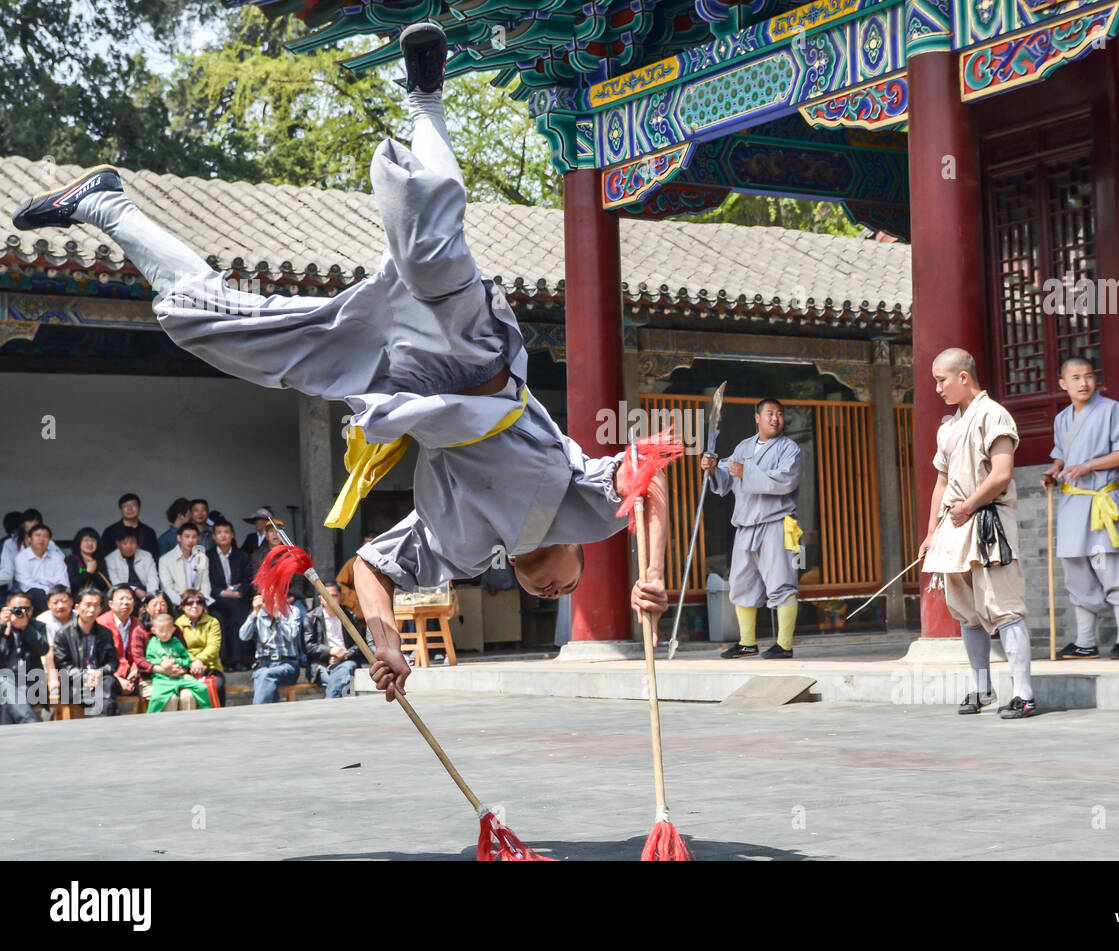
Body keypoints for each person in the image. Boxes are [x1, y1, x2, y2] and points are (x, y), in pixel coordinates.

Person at [13, 23, 670, 711]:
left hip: (402, 382)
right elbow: (648, 476)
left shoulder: (460, 550)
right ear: (580, 554)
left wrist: (387, 644)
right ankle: (426, 97)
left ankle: (104, 204)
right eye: (571, 583)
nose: (555, 590)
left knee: (211, 325)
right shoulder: (586, 508)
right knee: (425, 243)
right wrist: (649, 570)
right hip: (476, 358)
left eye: (551, 595)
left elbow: (369, 571)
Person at [919, 348, 1036, 719]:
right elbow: (940, 482)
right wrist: (930, 533)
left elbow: (1001, 473)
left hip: (987, 521)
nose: (937, 388)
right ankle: (982, 687)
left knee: (1004, 608)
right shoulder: (949, 426)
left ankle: (1023, 693)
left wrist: (968, 506)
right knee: (967, 613)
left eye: (942, 379)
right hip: (953, 526)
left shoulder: (993, 414)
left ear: (963, 377)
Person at [1041, 357, 1119, 659]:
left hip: (1103, 501)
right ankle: (1085, 641)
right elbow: (1062, 456)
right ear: (1063, 384)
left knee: (1114, 569)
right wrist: (1054, 471)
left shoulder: (1112, 410)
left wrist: (1088, 465)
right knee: (1078, 573)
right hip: (1074, 504)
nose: (1083, 383)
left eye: (1088, 376)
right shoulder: (1062, 419)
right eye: (1075, 378)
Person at [703, 398, 802, 659]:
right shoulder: (743, 447)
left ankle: (784, 645)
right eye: (770, 413)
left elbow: (785, 481)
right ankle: (747, 642)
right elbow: (725, 479)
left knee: (782, 581)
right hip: (746, 525)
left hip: (777, 523)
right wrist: (713, 470)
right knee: (740, 583)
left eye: (780, 414)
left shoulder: (790, 449)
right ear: (757, 418)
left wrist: (746, 472)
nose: (775, 418)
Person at [52, 588, 120, 716]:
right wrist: (87, 676)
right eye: (88, 605)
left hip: (101, 679)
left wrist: (99, 673)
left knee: (107, 684)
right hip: (74, 683)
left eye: (96, 606)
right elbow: (63, 666)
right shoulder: (63, 634)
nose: (92, 610)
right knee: (104, 698)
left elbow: (112, 661)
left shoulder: (105, 633)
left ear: (100, 609)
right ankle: (107, 726)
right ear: (77, 607)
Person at [305, 582, 374, 698]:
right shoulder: (311, 618)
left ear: (341, 597)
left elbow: (360, 644)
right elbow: (309, 646)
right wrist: (330, 652)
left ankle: (329, 707)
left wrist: (344, 656)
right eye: (326, 595)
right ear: (320, 598)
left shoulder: (350, 616)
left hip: (347, 660)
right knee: (342, 681)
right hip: (322, 664)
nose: (330, 599)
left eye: (334, 595)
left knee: (344, 672)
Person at [239, 592, 306, 704]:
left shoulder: (292, 610)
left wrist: (278, 615)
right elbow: (243, 636)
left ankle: (258, 714)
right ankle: (269, 716)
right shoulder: (258, 613)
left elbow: (292, 636)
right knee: (262, 675)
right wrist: (254, 612)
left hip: (287, 664)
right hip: (263, 664)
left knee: (265, 675)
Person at [144, 613, 211, 713]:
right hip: (162, 678)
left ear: (173, 630)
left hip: (180, 677)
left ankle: (208, 712)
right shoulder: (153, 643)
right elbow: (149, 659)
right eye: (160, 631)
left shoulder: (176, 642)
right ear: (153, 630)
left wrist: (176, 661)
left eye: (167, 631)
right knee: (157, 698)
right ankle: (150, 719)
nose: (164, 634)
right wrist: (161, 662)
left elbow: (187, 660)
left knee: (202, 688)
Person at [207, 518, 251, 670]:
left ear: (232, 535)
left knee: (240, 615)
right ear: (214, 536)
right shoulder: (208, 556)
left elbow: (248, 578)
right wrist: (221, 592)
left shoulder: (242, 555)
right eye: (219, 533)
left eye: (226, 532)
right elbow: (206, 581)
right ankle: (223, 661)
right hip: (217, 599)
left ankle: (239, 660)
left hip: (238, 599)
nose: (223, 536)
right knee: (216, 618)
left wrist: (239, 592)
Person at [1, 592, 47, 724]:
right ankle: (30, 723)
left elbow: (44, 649)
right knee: (5, 683)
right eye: (16, 609)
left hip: (29, 681)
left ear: (32, 610)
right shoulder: (2, 624)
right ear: (7, 608)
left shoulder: (37, 626)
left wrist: (26, 628)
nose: (21, 612)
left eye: (26, 609)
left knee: (9, 699)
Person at [175, 588, 224, 705]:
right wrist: (193, 662)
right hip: (187, 667)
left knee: (217, 687)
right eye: (189, 603)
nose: (194, 606)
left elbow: (214, 646)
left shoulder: (212, 622)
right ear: (182, 606)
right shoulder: (177, 624)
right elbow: (179, 649)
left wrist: (200, 660)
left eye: (199, 602)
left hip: (210, 666)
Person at [98, 584, 145, 696]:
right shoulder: (101, 624)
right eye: (121, 599)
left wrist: (135, 669)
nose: (126, 602)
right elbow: (100, 660)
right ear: (110, 604)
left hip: (133, 675)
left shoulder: (138, 624)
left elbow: (142, 653)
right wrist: (117, 679)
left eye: (129, 599)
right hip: (109, 675)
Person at [14, 523, 69, 614]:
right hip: (30, 596)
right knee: (37, 593)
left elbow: (63, 581)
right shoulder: (21, 557)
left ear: (49, 541)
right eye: (38, 535)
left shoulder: (56, 557)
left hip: (55, 594)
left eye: (45, 536)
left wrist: (54, 594)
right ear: (29, 539)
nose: (41, 539)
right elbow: (26, 584)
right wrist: (48, 592)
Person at [35, 585, 75, 704]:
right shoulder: (43, 620)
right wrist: (53, 678)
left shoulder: (79, 616)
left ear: (72, 601)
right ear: (48, 604)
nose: (60, 606)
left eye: (64, 601)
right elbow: (49, 652)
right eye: (55, 602)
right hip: (48, 668)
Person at [159, 523, 211, 607]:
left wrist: (200, 602)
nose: (190, 540)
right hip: (176, 604)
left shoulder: (202, 557)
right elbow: (167, 588)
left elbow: (205, 584)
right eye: (187, 536)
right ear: (179, 538)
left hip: (198, 604)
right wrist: (184, 604)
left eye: (194, 537)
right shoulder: (165, 560)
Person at [99, 493, 160, 561]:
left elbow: (155, 557)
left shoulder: (149, 532)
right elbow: (103, 557)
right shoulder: (110, 531)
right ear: (121, 509)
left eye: (133, 505)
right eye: (125, 506)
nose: (129, 508)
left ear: (139, 508)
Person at [104, 527, 160, 601]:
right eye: (125, 543)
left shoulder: (146, 555)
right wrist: (135, 590)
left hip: (147, 592)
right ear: (118, 544)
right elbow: (116, 582)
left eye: (133, 542)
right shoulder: (110, 559)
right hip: (124, 594)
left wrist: (151, 597)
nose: (129, 546)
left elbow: (153, 578)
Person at [334, 535, 375, 620]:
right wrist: (354, 599)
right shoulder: (353, 563)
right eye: (366, 545)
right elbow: (339, 584)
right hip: (359, 609)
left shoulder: (383, 564)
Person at [65, 527, 112, 595]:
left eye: (93, 540)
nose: (90, 543)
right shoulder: (71, 560)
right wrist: (88, 572)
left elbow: (106, 587)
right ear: (79, 542)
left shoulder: (100, 561)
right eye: (86, 540)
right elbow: (71, 585)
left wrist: (94, 573)